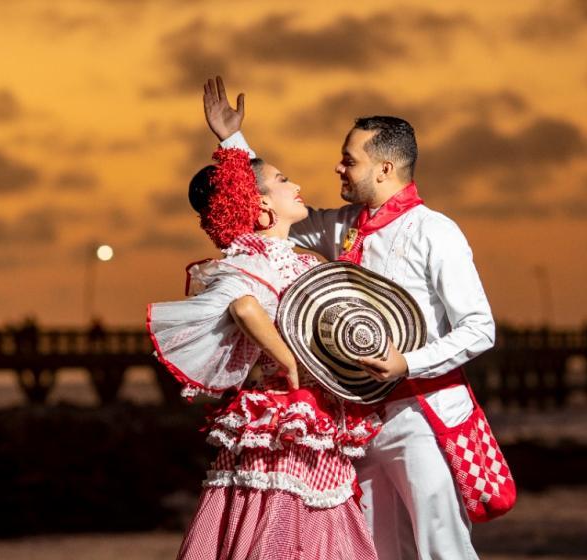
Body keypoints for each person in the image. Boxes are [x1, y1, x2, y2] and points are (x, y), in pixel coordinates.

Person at [203, 76, 497, 560]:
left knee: (440, 547)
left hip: (421, 412)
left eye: (349, 160)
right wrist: (233, 142)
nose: (337, 166)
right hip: (358, 421)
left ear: (384, 168)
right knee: (375, 549)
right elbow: (265, 212)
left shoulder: (434, 231)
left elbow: (479, 327)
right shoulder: (341, 225)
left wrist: (408, 362)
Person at [148, 145, 379, 559]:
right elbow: (242, 306)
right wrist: (288, 358)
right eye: (284, 180)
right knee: (284, 515)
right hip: (285, 411)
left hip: (306, 409)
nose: (297, 186)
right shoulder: (251, 260)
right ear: (261, 206)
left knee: (301, 513)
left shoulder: (289, 258)